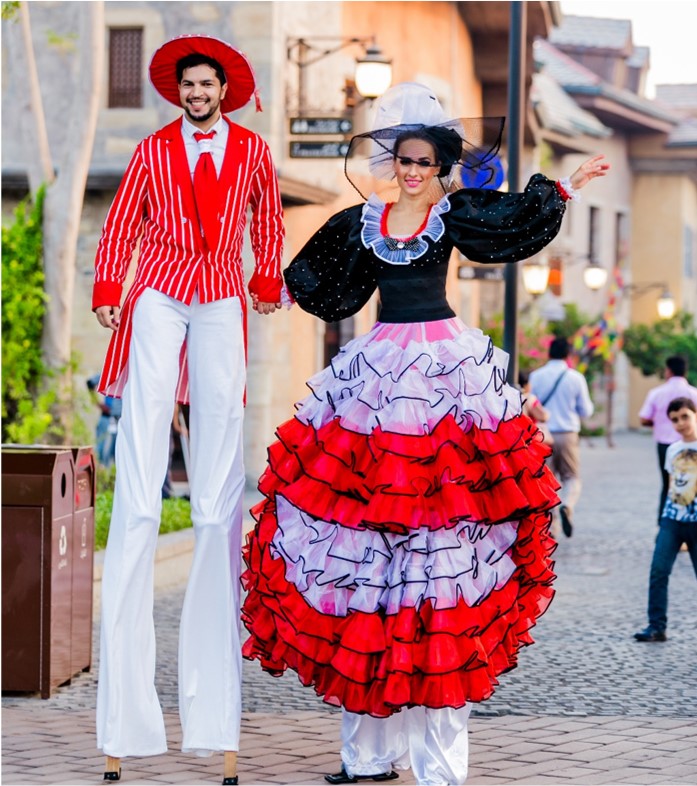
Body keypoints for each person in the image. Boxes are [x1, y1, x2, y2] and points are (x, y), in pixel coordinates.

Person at [241, 83, 608, 786]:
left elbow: (511, 222)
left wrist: (565, 186)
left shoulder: (452, 214)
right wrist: (264, 290)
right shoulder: (362, 222)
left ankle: (439, 765)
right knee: (365, 559)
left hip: (444, 371)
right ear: (393, 162)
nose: (412, 171)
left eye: (424, 162)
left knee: (443, 550)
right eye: (404, 161)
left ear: (440, 166)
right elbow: (318, 276)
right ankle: (367, 757)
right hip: (377, 375)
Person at [92, 35, 284, 784]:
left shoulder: (252, 150)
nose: (197, 94)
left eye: (207, 84)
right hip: (160, 289)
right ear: (178, 92)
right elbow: (121, 222)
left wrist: (266, 278)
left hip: (221, 292)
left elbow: (268, 220)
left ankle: (212, 720)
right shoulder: (152, 150)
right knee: (143, 450)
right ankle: (128, 727)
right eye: (188, 86)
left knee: (218, 456)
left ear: (222, 89)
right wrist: (108, 289)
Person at [634, 397, 697, 642]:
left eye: (685, 417)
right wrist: (663, 519)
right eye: (675, 420)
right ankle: (656, 626)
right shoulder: (672, 449)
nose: (680, 423)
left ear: (695, 415)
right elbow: (671, 487)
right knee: (658, 571)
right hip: (672, 519)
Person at [529, 337, 594, 538]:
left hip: (542, 435)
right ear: (569, 355)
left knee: (547, 482)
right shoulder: (576, 378)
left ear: (549, 353)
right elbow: (586, 410)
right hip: (567, 433)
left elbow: (530, 405)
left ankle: (552, 529)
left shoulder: (536, 376)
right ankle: (568, 504)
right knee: (571, 477)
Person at [638, 356, 697, 523]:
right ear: (685, 371)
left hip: (665, 445)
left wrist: (659, 423)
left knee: (668, 484)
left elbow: (643, 419)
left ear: (668, 371)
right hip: (691, 444)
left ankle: (665, 521)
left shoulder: (657, 393)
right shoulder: (694, 393)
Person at [86, 373, 122, 467]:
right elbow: (90, 382)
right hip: (107, 416)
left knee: (117, 452)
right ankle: (100, 471)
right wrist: (96, 402)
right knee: (101, 449)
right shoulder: (112, 372)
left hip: (121, 419)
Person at [518, 370, 552, 445]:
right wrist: (547, 414)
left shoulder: (511, 397)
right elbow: (543, 416)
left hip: (517, 437)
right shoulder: (529, 397)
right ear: (526, 384)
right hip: (530, 437)